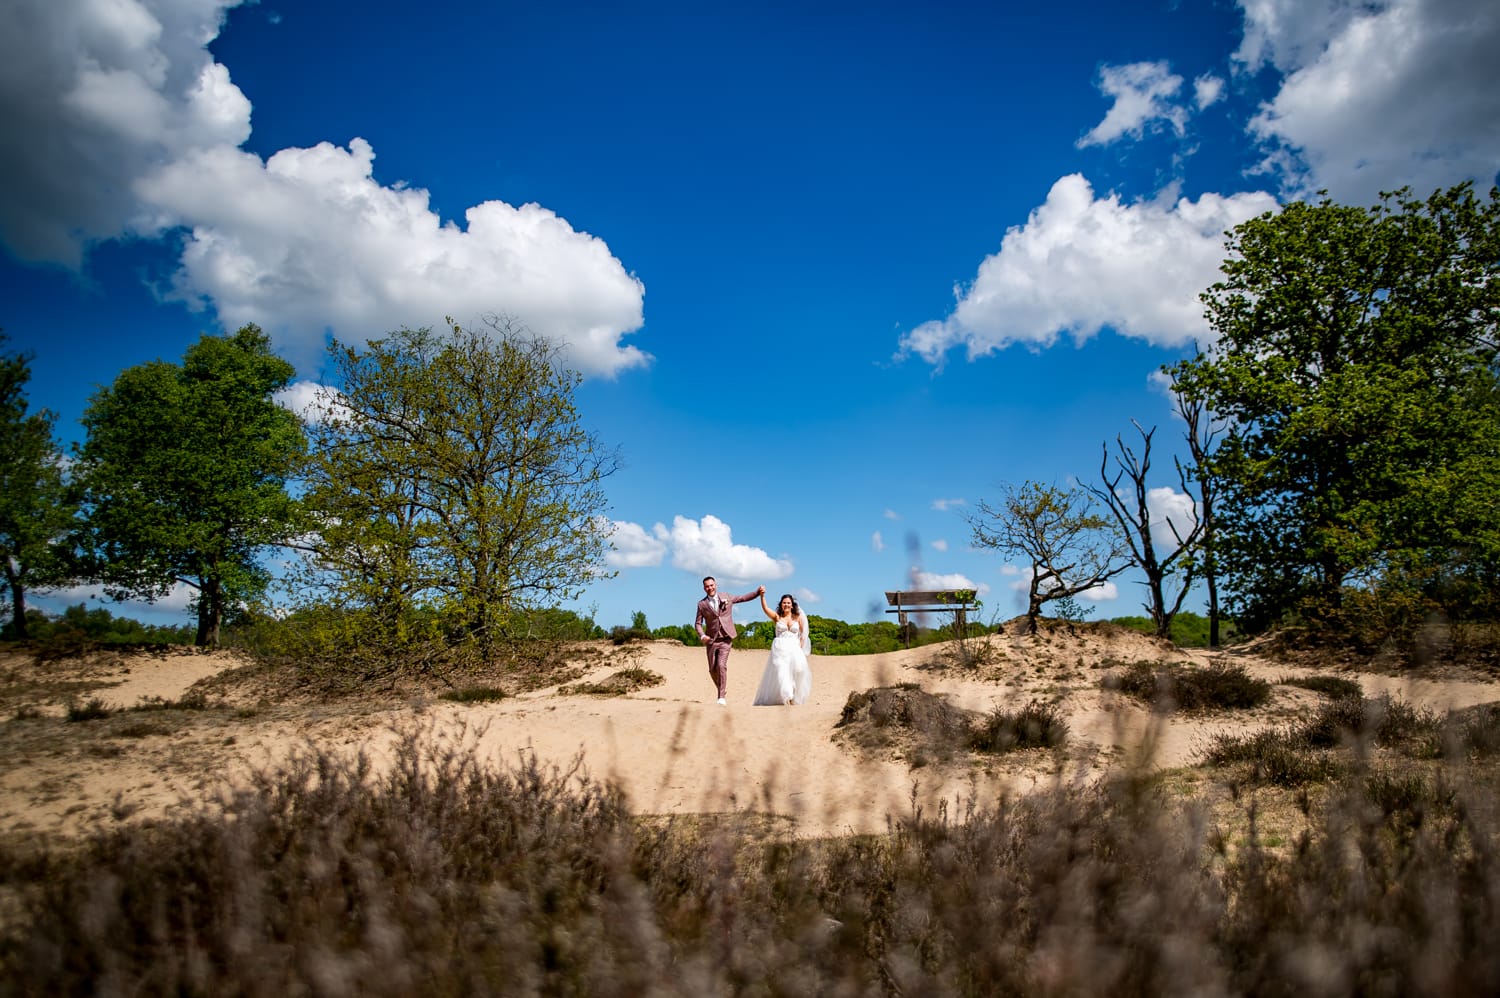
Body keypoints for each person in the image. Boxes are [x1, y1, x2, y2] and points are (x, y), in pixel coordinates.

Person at [695, 577, 764, 705]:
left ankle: (721, 697)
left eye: (711, 585)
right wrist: (702, 635)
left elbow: (743, 598)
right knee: (712, 669)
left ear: (716, 585)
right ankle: (722, 688)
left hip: (726, 638)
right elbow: (698, 623)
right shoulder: (701, 604)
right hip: (711, 640)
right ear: (704, 588)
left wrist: (757, 592)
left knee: (721, 665)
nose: (710, 588)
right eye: (707, 586)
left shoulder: (726, 596)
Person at [752, 592, 813, 706]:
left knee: (797, 671)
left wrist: (800, 645)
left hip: (794, 648)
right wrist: (762, 596)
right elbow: (765, 609)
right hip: (780, 649)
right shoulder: (777, 617)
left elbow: (803, 633)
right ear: (781, 604)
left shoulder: (798, 617)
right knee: (782, 672)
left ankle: (793, 695)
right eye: (784, 603)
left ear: (792, 605)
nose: (786, 605)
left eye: (788, 603)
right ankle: (787, 696)